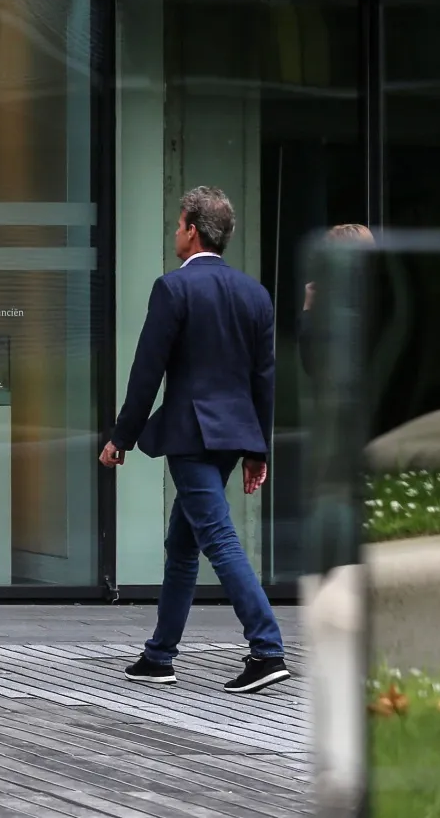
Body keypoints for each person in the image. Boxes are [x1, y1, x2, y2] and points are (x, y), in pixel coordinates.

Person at [103, 186, 290, 694]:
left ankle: (267, 648)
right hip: (233, 436)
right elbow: (263, 380)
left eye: (178, 223)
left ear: (191, 228)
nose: (174, 232)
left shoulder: (173, 289)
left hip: (189, 434)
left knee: (217, 537)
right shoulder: (255, 293)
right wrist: (258, 448)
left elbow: (148, 372)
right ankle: (159, 656)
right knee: (182, 542)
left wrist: (121, 438)